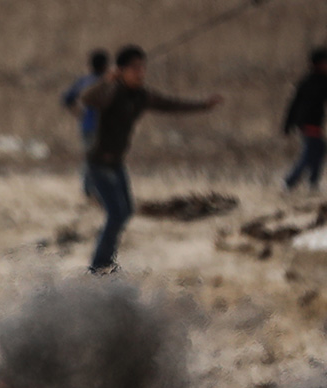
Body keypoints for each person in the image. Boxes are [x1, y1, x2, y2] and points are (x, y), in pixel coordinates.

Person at [80, 45, 222, 274]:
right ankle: (98, 266)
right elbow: (87, 98)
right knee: (116, 214)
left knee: (126, 211)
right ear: (121, 70)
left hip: (116, 162)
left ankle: (106, 261)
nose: (140, 73)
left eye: (142, 67)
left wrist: (203, 105)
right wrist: (107, 80)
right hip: (99, 163)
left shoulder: (140, 96)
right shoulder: (112, 91)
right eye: (134, 68)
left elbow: (170, 104)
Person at [282, 46, 327, 192]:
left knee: (319, 150)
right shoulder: (313, 82)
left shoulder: (322, 81)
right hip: (307, 122)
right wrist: (288, 123)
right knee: (311, 151)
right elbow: (295, 103)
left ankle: (312, 183)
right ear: (319, 63)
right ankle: (290, 182)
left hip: (313, 122)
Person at [61, 49, 110, 200]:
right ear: (105, 65)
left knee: (90, 159)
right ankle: (97, 191)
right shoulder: (107, 82)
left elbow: (67, 99)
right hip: (104, 127)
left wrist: (79, 114)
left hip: (87, 125)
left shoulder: (84, 81)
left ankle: (89, 189)